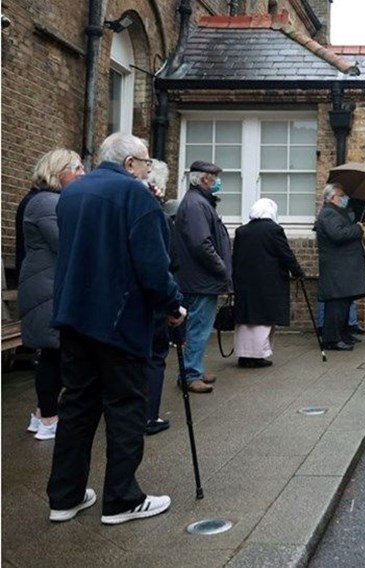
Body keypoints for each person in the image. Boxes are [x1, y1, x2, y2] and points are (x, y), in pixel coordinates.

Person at [47, 132, 184, 525]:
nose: (146, 169)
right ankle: (122, 499)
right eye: (144, 162)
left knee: (76, 405)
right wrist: (172, 304)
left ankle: (64, 497)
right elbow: (153, 264)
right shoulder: (135, 195)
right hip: (118, 319)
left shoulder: (71, 194)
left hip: (74, 316)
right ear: (129, 164)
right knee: (125, 406)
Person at [17, 149, 85, 441]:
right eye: (77, 168)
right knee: (54, 354)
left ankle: (41, 413)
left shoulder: (45, 200)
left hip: (46, 283)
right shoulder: (48, 202)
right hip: (47, 287)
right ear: (58, 172)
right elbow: (67, 243)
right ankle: (48, 418)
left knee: (53, 353)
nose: (83, 173)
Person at [173, 160, 232, 393]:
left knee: (196, 326)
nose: (217, 182)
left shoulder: (197, 202)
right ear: (205, 179)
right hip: (201, 280)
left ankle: (193, 367)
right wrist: (221, 268)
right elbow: (201, 244)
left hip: (196, 278)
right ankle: (190, 373)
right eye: (215, 177)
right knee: (199, 326)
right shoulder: (197, 204)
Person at [232, 198, 305, 368]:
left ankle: (244, 354)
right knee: (263, 321)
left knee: (247, 321)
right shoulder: (274, 230)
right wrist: (298, 272)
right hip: (268, 282)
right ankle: (257, 355)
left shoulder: (242, 231)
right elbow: (285, 254)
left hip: (245, 282)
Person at [315, 183, 365, 352]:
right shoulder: (329, 214)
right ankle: (332, 339)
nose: (345, 199)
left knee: (344, 303)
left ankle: (342, 334)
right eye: (342, 196)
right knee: (336, 305)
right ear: (332, 198)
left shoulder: (336, 213)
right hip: (337, 269)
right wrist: (357, 229)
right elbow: (338, 235)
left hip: (342, 269)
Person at [143, 159, 175, 435]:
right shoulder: (156, 217)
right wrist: (174, 304)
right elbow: (159, 265)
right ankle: (148, 416)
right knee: (154, 356)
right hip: (148, 303)